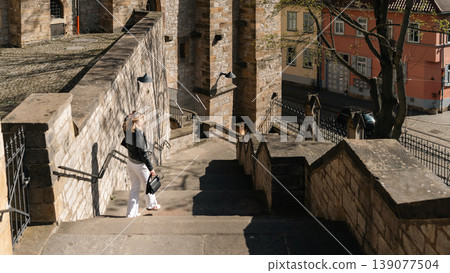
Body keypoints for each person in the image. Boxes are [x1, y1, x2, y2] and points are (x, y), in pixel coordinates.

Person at [122, 111, 161, 218]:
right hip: (139, 165)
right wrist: (151, 168)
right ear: (137, 120)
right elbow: (143, 154)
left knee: (134, 188)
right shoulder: (138, 133)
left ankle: (131, 213)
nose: (142, 122)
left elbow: (124, 122)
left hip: (130, 162)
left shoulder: (128, 129)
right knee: (147, 185)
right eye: (142, 120)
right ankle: (152, 205)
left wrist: (128, 117)